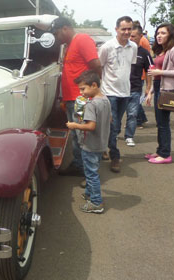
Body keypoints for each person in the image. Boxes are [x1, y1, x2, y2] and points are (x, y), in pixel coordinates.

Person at [50, 17, 102, 175]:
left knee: (83, 137)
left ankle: (90, 172)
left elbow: (96, 65)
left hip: (81, 99)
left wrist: (94, 91)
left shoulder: (82, 39)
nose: (57, 37)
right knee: (76, 135)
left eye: (57, 33)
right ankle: (79, 165)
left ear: (65, 28)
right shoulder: (68, 45)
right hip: (72, 99)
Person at [66, 70, 111, 214]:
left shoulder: (91, 105)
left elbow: (90, 126)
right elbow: (109, 119)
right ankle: (89, 194)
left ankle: (96, 202)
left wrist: (75, 125)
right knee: (91, 170)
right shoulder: (105, 100)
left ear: (94, 85)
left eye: (83, 89)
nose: (81, 92)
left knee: (91, 174)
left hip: (90, 145)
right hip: (101, 143)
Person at [98, 16, 137, 172]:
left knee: (115, 126)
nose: (126, 32)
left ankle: (105, 147)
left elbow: (129, 67)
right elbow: (99, 67)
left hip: (125, 93)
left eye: (129, 29)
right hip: (109, 93)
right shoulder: (107, 47)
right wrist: (99, 92)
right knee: (113, 126)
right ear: (116, 29)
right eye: (123, 29)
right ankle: (115, 156)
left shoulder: (133, 47)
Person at [146, 23, 174, 164]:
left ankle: (165, 154)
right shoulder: (161, 51)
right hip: (158, 88)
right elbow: (156, 76)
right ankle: (160, 150)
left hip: (168, 90)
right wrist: (150, 92)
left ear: (171, 35)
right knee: (160, 123)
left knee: (163, 123)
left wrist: (161, 72)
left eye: (163, 33)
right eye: (158, 33)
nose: (159, 35)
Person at [125, 24, 153, 147]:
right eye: (129, 36)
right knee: (114, 116)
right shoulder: (122, 49)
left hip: (135, 88)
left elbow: (149, 71)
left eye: (133, 36)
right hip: (118, 89)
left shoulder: (144, 53)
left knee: (132, 114)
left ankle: (129, 136)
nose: (130, 38)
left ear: (140, 37)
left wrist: (148, 88)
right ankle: (112, 136)